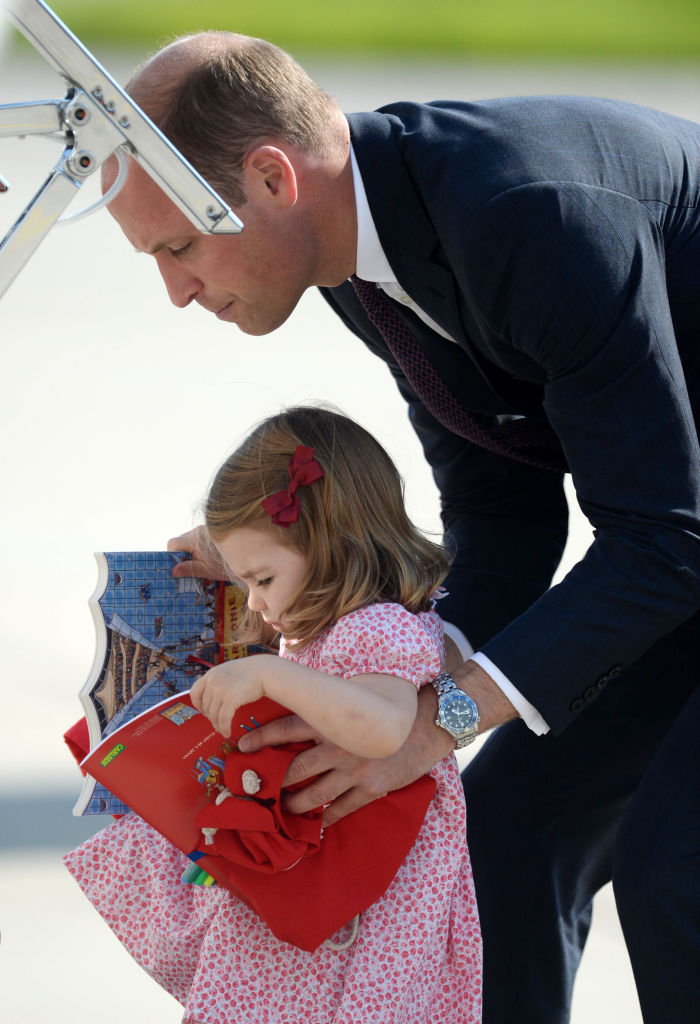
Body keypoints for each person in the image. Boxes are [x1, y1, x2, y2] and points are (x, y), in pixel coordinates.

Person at [105, 32, 700, 1024]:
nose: (175, 290)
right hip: (680, 535)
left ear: (268, 176)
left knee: (676, 868)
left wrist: (442, 717)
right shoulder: (356, 261)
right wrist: (390, 678)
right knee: (503, 834)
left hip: (678, 537)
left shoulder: (520, 213)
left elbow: (663, 538)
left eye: (177, 246)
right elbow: (501, 507)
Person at [64, 405, 483, 1024]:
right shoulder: (328, 627)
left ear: (329, 545)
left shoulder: (383, 627)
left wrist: (270, 673)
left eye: (261, 578)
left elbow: (386, 727)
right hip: (316, 881)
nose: (256, 602)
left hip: (368, 906)